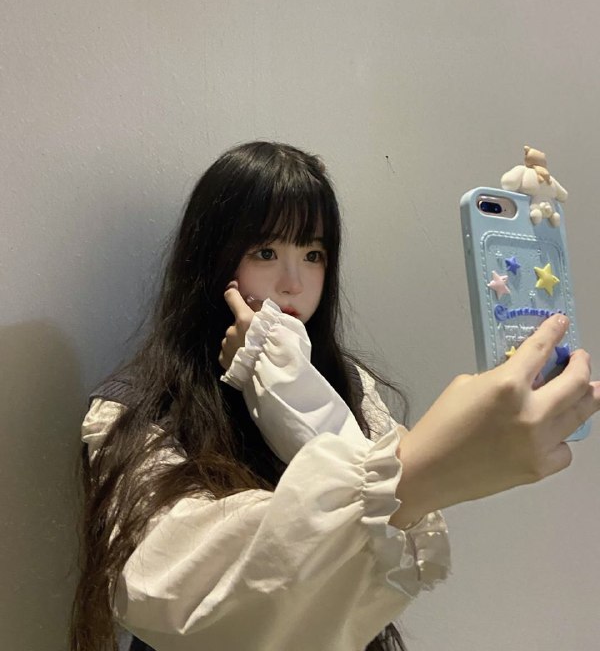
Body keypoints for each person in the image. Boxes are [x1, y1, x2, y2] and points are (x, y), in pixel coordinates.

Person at [69, 141, 600, 651]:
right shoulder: (135, 409)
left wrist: (289, 381)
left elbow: (373, 548)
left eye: (313, 253)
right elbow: (173, 592)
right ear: (212, 260)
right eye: (266, 252)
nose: (293, 282)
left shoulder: (348, 382)